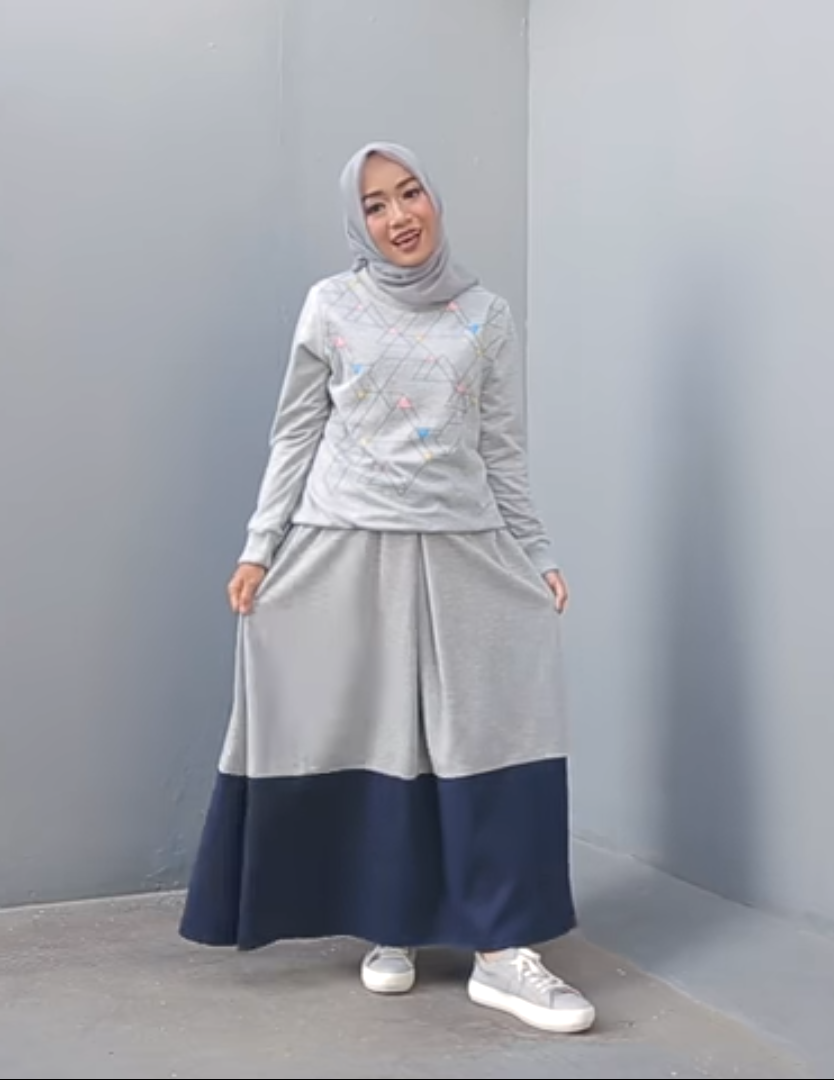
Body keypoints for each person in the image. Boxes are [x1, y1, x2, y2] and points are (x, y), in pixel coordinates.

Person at [177, 141, 593, 1035]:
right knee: (369, 736)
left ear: (434, 198)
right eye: (375, 205)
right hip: (343, 547)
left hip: (462, 549)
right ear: (357, 221)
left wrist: (537, 550)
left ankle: (502, 953)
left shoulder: (486, 316)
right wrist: (259, 548)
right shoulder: (331, 306)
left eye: (410, 194)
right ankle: (389, 921)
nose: (398, 216)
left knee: (486, 738)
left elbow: (502, 450)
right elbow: (296, 434)